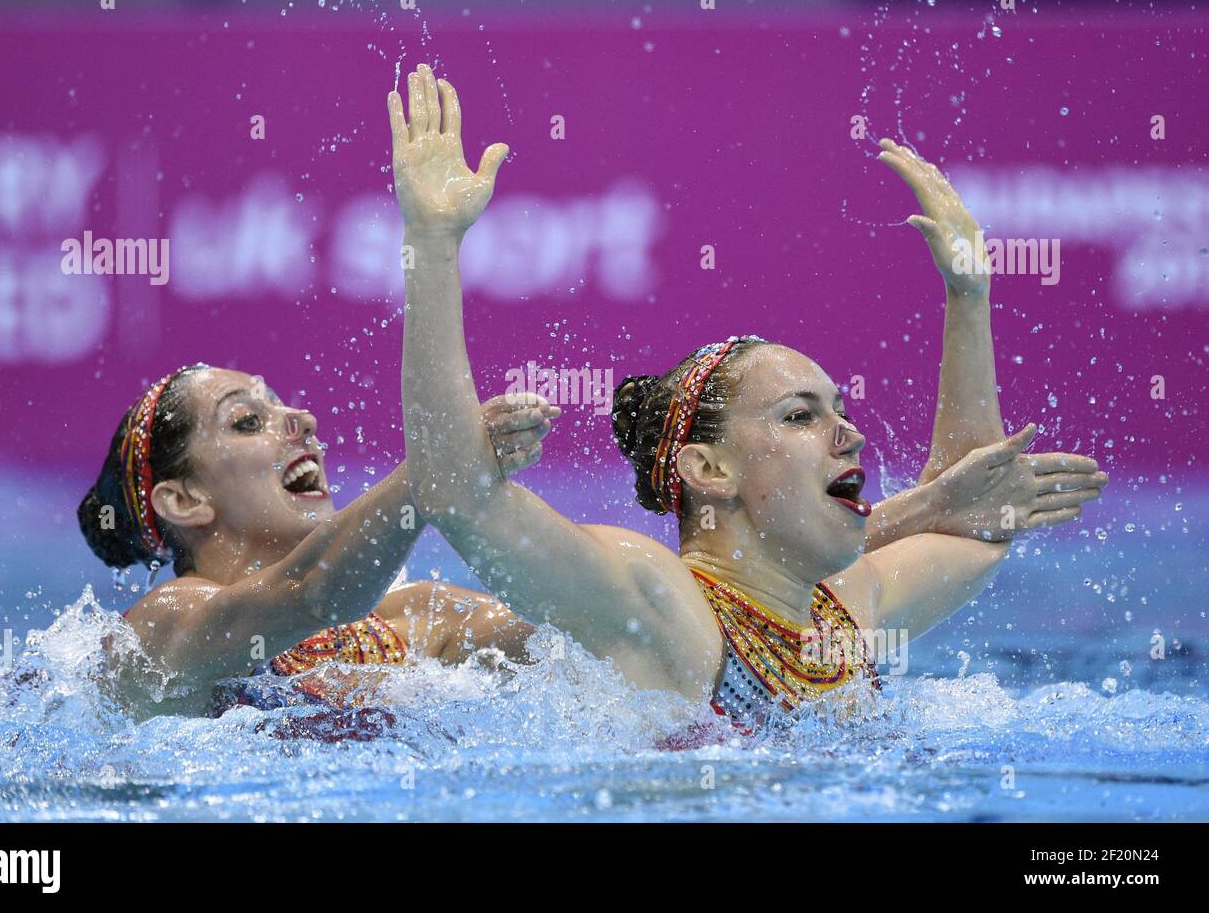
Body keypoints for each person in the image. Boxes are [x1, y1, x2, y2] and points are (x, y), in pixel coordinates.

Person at [391, 63, 1108, 729]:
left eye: (842, 411)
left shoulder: (841, 614)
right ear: (708, 470)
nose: (849, 435)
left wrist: (968, 293)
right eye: (800, 415)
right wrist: (431, 242)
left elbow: (972, 519)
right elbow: (455, 493)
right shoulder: (666, 610)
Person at [78, 364, 559, 715]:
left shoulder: (410, 623)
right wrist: (434, 468)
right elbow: (316, 592)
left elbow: (577, 630)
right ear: (184, 501)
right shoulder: (162, 626)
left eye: (282, 405)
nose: (303, 419)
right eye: (247, 421)